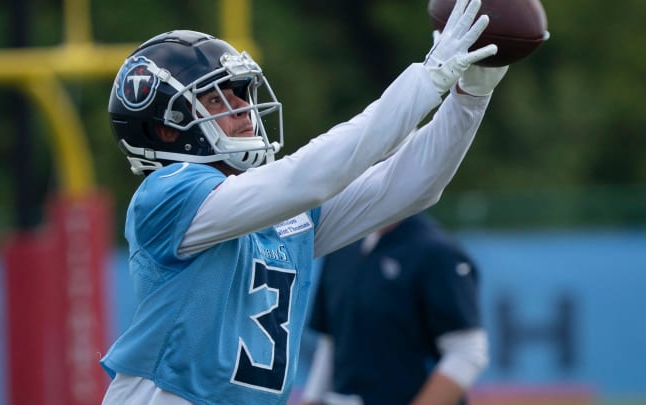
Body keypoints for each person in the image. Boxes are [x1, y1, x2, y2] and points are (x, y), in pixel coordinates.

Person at [99, 0, 509, 403]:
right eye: (216, 98)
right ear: (169, 131)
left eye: (240, 92)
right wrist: (427, 79)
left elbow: (409, 185)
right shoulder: (167, 193)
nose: (243, 107)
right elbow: (307, 177)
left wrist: (469, 99)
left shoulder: (275, 207)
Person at [299, 213, 487, 405]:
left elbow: (467, 351)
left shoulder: (437, 251)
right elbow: (333, 340)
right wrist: (311, 400)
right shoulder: (342, 244)